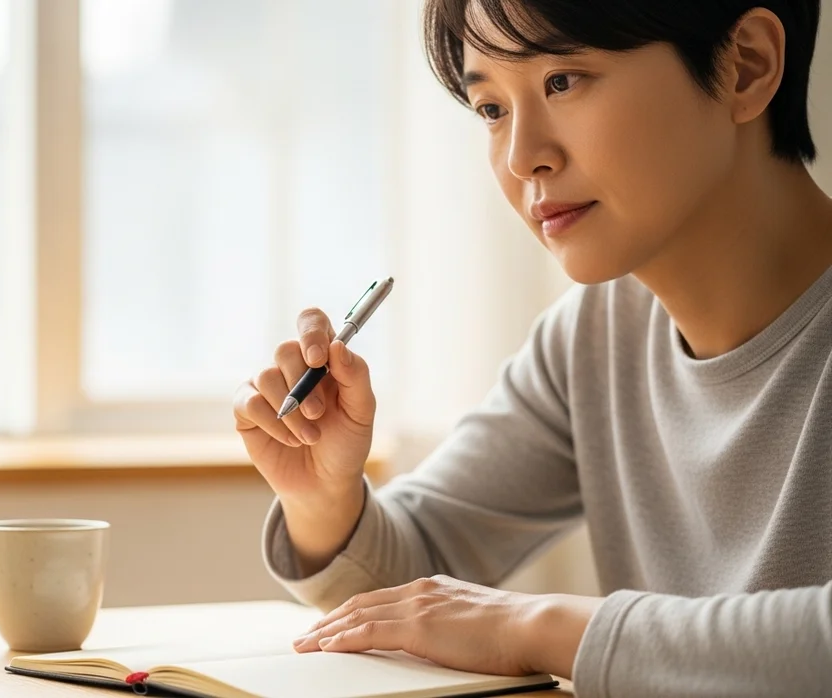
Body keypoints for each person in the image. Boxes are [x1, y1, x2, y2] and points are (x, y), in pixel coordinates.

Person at [233, 1, 832, 696]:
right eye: (491, 108)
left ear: (746, 65)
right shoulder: (593, 338)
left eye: (562, 81)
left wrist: (532, 628)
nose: (523, 158)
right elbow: (410, 587)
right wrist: (327, 495)